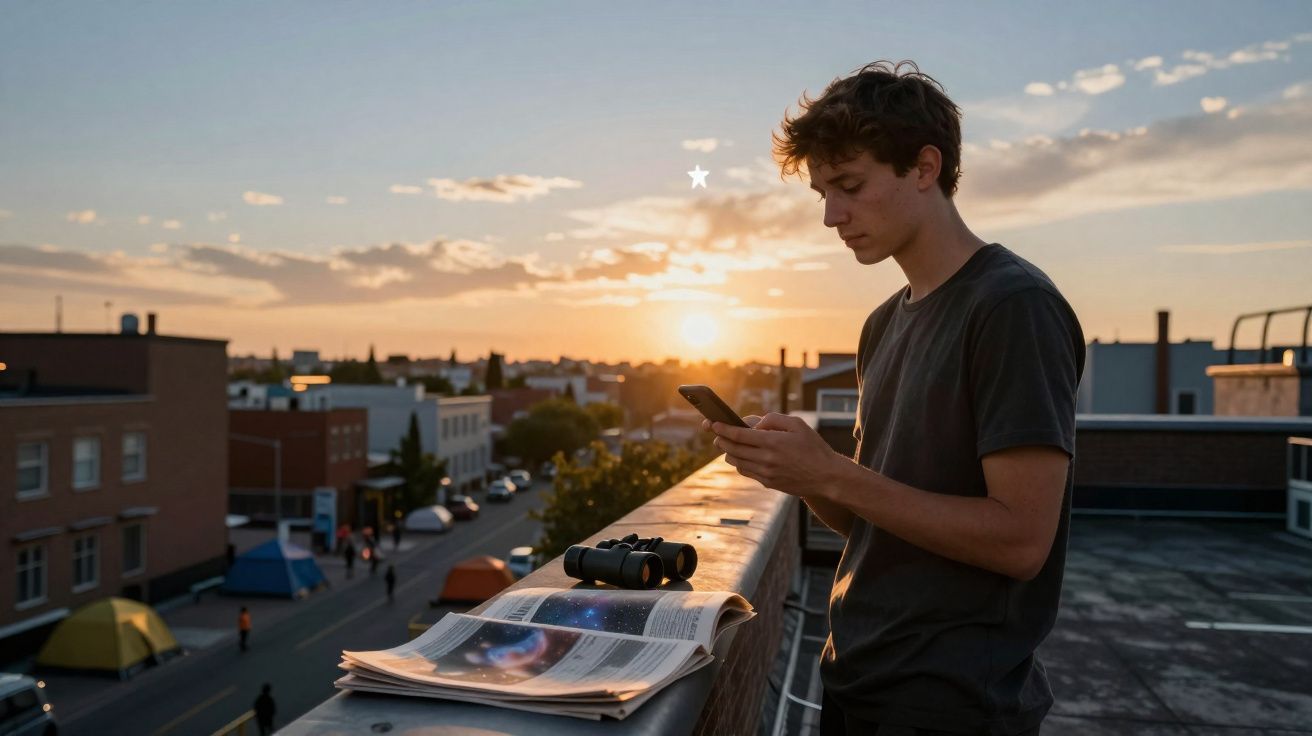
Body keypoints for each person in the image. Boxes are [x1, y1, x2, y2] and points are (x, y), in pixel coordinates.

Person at [706, 61, 1083, 735]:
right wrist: (799, 472)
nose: (831, 216)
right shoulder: (883, 324)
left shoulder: (1013, 306)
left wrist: (831, 472)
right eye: (822, 192)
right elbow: (876, 523)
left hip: (952, 701)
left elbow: (1023, 540)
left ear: (924, 167)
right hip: (856, 676)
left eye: (848, 186)